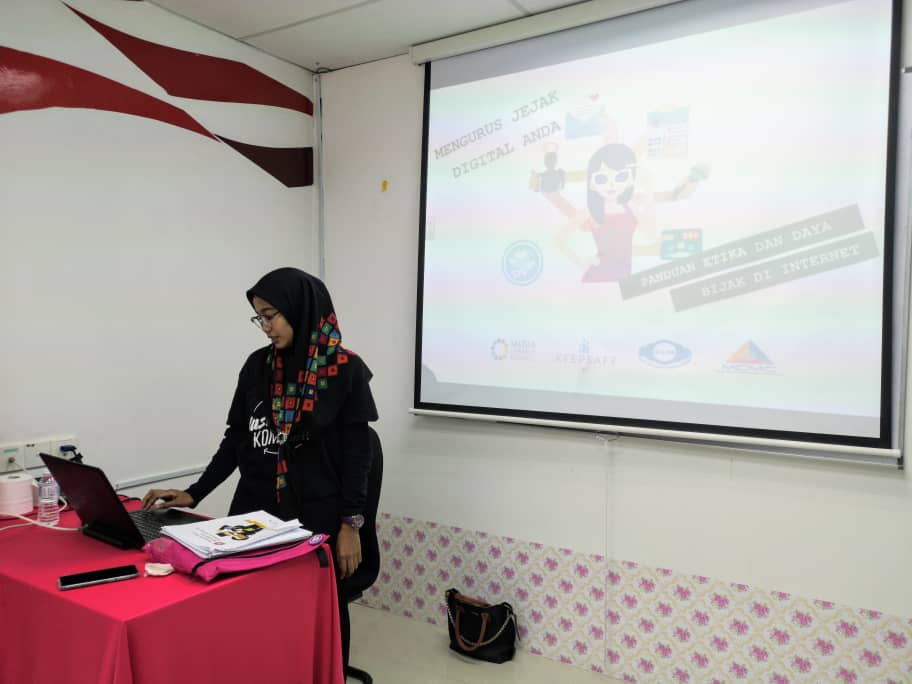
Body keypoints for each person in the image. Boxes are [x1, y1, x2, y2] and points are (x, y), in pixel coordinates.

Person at [142, 267, 378, 670]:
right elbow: (237, 437)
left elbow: (360, 455)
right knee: (247, 606)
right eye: (259, 318)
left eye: (271, 315)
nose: (266, 327)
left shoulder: (344, 370)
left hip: (313, 517)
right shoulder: (258, 366)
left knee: (318, 610)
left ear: (300, 310)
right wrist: (196, 492)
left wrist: (351, 525)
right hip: (253, 510)